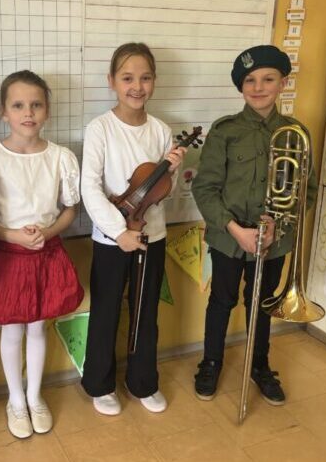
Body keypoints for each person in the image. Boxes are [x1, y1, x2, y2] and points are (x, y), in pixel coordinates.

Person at [191, 45, 318, 405]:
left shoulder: (296, 134)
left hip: (273, 240)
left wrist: (278, 227)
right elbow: (205, 188)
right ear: (241, 87)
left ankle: (259, 365)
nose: (259, 87)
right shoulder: (225, 131)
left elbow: (306, 191)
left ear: (282, 83)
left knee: (262, 302)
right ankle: (211, 363)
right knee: (221, 300)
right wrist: (235, 229)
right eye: (250, 80)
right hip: (229, 237)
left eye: (268, 79)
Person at [80, 42, 186, 416]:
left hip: (151, 235)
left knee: (145, 312)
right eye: (127, 78)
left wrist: (172, 170)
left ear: (154, 81)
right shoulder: (100, 128)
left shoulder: (162, 130)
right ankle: (99, 384)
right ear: (112, 81)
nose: (136, 86)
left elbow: (163, 192)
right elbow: (89, 188)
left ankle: (142, 382)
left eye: (145, 78)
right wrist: (117, 231)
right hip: (111, 239)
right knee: (106, 311)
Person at [0, 71, 84, 439]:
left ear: (47, 111)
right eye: (18, 105)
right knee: (11, 328)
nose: (28, 112)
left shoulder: (60, 157)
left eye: (36, 105)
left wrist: (47, 233)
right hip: (7, 256)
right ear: (4, 111)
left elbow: (70, 208)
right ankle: (16, 400)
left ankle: (36, 396)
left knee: (38, 326)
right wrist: (12, 235)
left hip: (46, 251)